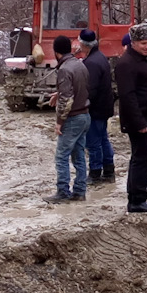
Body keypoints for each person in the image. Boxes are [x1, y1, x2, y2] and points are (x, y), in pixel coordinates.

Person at [113, 23, 147, 213]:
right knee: (142, 158)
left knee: (144, 157)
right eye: (143, 43)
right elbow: (128, 97)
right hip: (140, 121)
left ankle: (139, 197)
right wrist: (139, 122)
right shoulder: (127, 64)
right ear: (133, 42)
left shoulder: (145, 60)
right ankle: (136, 201)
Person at [48, 35, 91, 203]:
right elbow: (79, 87)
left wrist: (59, 122)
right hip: (85, 114)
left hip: (72, 118)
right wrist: (59, 94)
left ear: (56, 51)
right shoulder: (80, 65)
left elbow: (67, 100)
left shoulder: (65, 69)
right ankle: (80, 191)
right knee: (79, 155)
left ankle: (63, 192)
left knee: (61, 156)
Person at [81, 28, 116, 184]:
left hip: (95, 109)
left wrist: (82, 104)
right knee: (103, 140)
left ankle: (95, 173)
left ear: (84, 45)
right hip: (105, 106)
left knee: (93, 142)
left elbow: (90, 89)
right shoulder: (101, 57)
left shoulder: (91, 63)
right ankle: (109, 171)